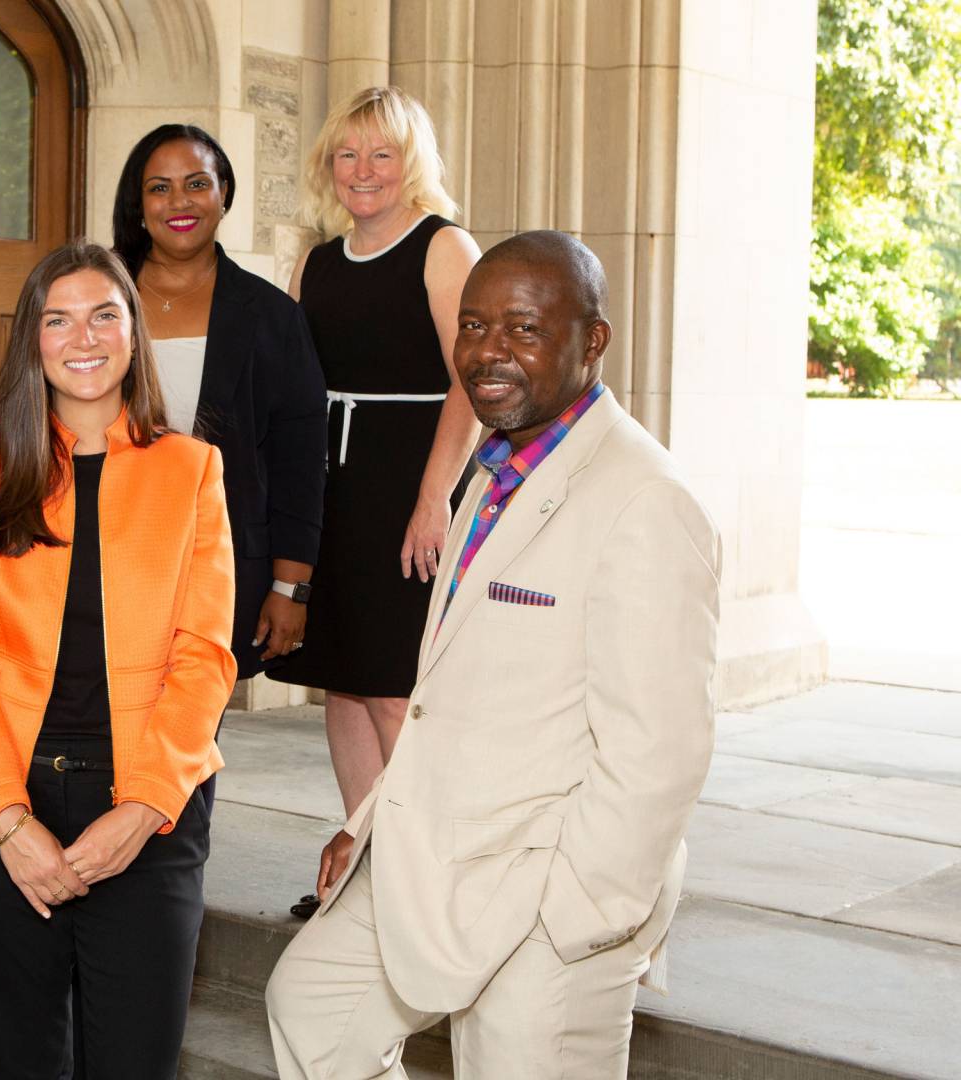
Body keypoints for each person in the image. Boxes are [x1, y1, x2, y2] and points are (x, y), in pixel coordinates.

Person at [264, 231, 721, 1078]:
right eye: (472, 327)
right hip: (429, 853)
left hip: (550, 891)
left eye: (523, 328)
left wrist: (573, 918)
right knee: (311, 1013)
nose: (488, 352)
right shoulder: (488, 471)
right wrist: (368, 826)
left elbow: (660, 751)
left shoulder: (647, 501)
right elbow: (444, 691)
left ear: (592, 341)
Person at [0, 240, 237, 1078]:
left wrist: (141, 811)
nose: (83, 337)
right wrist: (8, 822)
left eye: (105, 314)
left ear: (135, 334)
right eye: (57, 319)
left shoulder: (193, 470)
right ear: (32, 340)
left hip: (149, 800)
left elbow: (204, 658)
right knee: (21, 1059)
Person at [268, 86, 483, 916]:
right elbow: (295, 387)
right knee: (343, 685)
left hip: (407, 485)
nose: (364, 172)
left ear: (411, 166)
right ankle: (361, 864)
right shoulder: (314, 261)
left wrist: (434, 500)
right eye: (348, 155)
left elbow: (469, 380)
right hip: (332, 487)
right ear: (329, 165)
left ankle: (422, 885)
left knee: (394, 686)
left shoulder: (444, 247)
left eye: (382, 155)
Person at [109, 124, 328, 683]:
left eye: (197, 183)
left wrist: (290, 587)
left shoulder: (273, 317)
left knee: (189, 742)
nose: (178, 202)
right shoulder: (97, 296)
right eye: (159, 188)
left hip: (223, 567)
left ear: (224, 193)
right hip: (101, 553)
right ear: (138, 203)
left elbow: (299, 464)